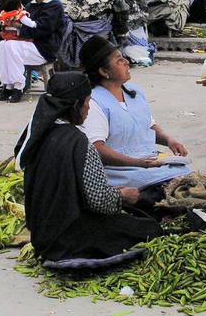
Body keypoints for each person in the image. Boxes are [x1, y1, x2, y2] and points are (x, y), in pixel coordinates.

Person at [15, 72, 162, 261]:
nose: (89, 107)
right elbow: (100, 202)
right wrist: (123, 196)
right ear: (76, 105)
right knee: (148, 228)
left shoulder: (38, 134)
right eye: (87, 102)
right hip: (68, 239)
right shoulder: (79, 143)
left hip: (41, 234)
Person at [79, 35, 190, 208]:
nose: (126, 62)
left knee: (184, 172)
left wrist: (169, 140)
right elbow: (98, 149)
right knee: (169, 188)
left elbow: (149, 125)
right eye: (119, 60)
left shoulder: (134, 92)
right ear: (103, 71)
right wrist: (137, 163)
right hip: (121, 171)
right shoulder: (94, 102)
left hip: (147, 163)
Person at [0, 0, 65, 103]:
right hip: (30, 43)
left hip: (44, 48)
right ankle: (7, 84)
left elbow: (41, 30)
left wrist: (19, 27)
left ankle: (18, 86)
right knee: (2, 45)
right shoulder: (33, 4)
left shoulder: (55, 6)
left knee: (11, 46)